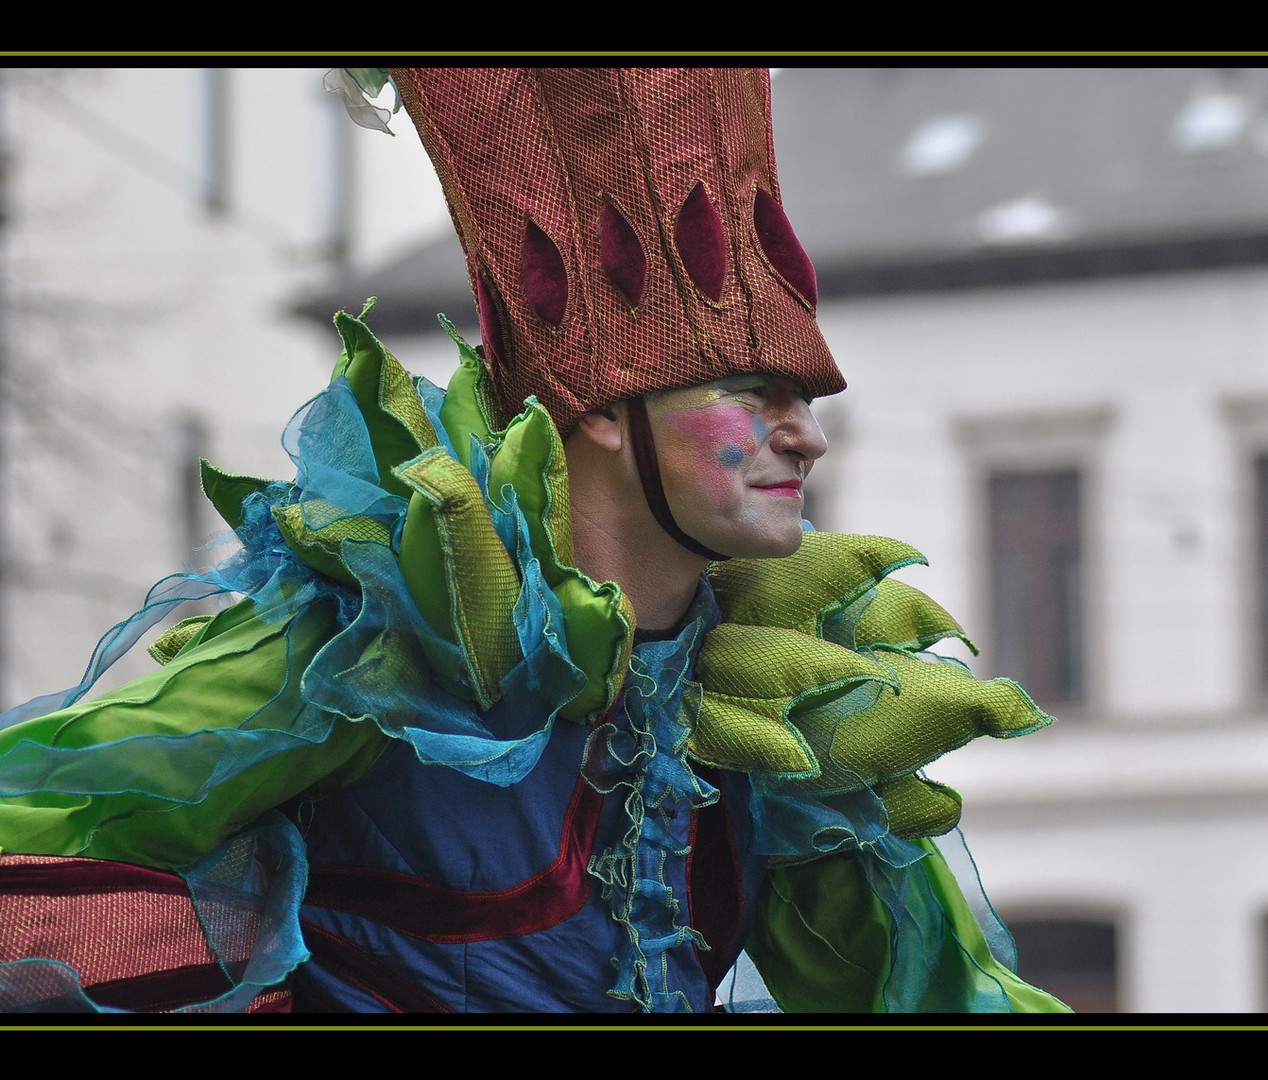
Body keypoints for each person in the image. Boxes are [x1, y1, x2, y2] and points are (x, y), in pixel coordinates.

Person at [0, 68, 1070, 1014]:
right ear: (603, 407)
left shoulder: (782, 720)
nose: (808, 436)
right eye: (754, 392)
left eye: (805, 399)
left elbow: (929, 997)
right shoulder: (381, 645)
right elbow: (47, 825)